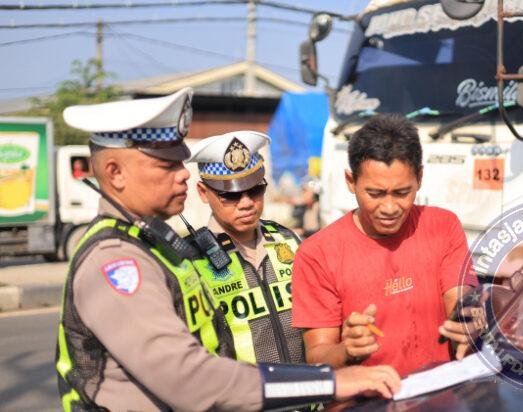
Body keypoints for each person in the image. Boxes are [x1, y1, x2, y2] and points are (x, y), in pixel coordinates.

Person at [56, 88, 400, 411]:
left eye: (255, 190)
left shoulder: (152, 246)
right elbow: (188, 377)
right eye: (167, 164)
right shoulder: (116, 260)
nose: (183, 175)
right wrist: (327, 383)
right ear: (115, 173)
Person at [291, 114, 482, 377]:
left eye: (402, 193)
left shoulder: (443, 226)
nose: (390, 208)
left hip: (441, 391)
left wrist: (469, 323)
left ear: (420, 177)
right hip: (366, 396)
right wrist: (346, 350)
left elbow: (460, 307)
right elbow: (317, 356)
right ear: (351, 181)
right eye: (375, 193)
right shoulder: (317, 254)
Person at [186, 130, 305, 364]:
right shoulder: (192, 260)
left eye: (255, 190)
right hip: (240, 387)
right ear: (203, 192)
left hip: (306, 385)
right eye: (230, 195)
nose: (247, 203)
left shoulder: (288, 240)